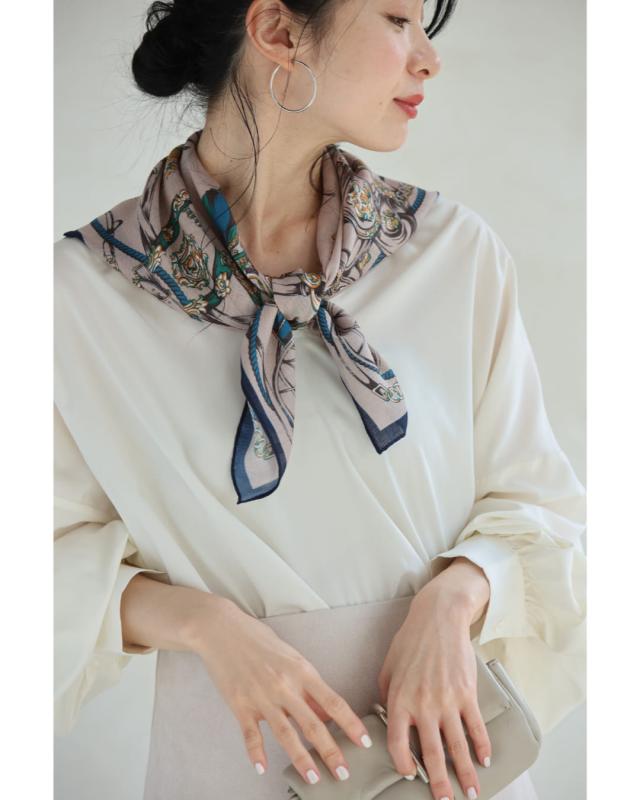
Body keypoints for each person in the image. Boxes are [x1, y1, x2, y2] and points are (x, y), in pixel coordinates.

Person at [54, 1, 586, 798]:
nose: (428, 57)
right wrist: (207, 625)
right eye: (398, 16)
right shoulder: (78, 298)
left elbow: (545, 511)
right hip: (237, 761)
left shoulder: (452, 254)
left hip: (443, 762)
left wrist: (454, 598)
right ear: (278, 31)